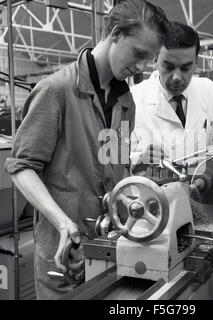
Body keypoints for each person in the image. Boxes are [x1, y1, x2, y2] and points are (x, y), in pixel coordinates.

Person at [4, 0, 170, 299]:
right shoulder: (56, 91)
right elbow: (21, 168)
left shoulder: (125, 101)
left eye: (150, 59)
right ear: (116, 33)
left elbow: (115, 169)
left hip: (108, 246)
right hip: (63, 252)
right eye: (140, 54)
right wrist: (63, 222)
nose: (143, 67)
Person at [130, 22, 213, 170]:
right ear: (155, 60)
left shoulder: (206, 90)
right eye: (169, 66)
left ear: (195, 64)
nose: (177, 77)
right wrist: (140, 159)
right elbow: (114, 157)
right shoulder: (133, 99)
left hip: (201, 186)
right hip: (154, 190)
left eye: (186, 68)